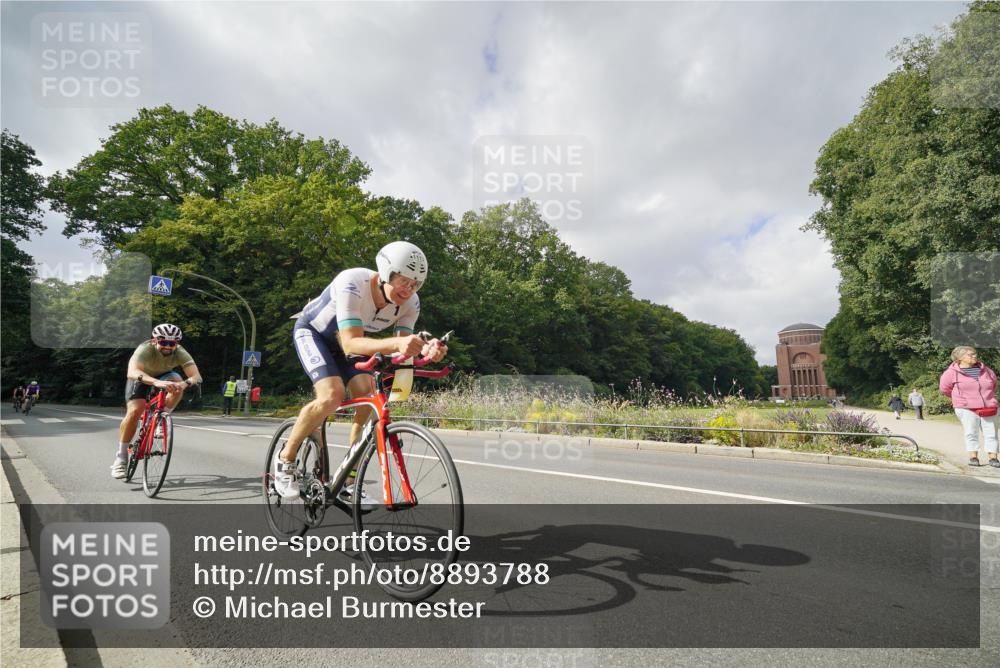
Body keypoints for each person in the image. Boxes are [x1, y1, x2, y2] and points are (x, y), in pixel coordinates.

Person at [275, 241, 448, 500]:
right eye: (403, 281)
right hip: (315, 334)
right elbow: (350, 343)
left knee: (368, 398)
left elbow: (402, 351)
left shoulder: (411, 303)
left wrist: (425, 349)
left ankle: (349, 482)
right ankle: (285, 458)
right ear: (386, 273)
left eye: (415, 285)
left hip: (355, 341)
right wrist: (398, 344)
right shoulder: (352, 282)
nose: (408, 290)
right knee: (331, 395)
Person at [112, 324, 203, 479]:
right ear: (155, 340)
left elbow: (196, 376)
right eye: (164, 342)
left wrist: (183, 384)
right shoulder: (145, 349)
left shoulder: (180, 352)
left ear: (177, 343)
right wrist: (155, 382)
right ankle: (120, 459)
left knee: (177, 381)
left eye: (172, 343)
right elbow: (132, 372)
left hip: (165, 376)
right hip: (141, 377)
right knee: (135, 411)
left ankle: (161, 418)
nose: (168, 346)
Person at [939, 346, 999, 468]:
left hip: (988, 406)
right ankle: (973, 457)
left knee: (991, 433)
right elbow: (945, 389)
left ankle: (993, 458)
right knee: (971, 432)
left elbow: (994, 385)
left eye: (975, 354)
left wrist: (987, 398)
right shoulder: (951, 373)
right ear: (959, 358)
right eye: (970, 355)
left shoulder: (987, 371)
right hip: (966, 407)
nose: (974, 356)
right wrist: (961, 399)